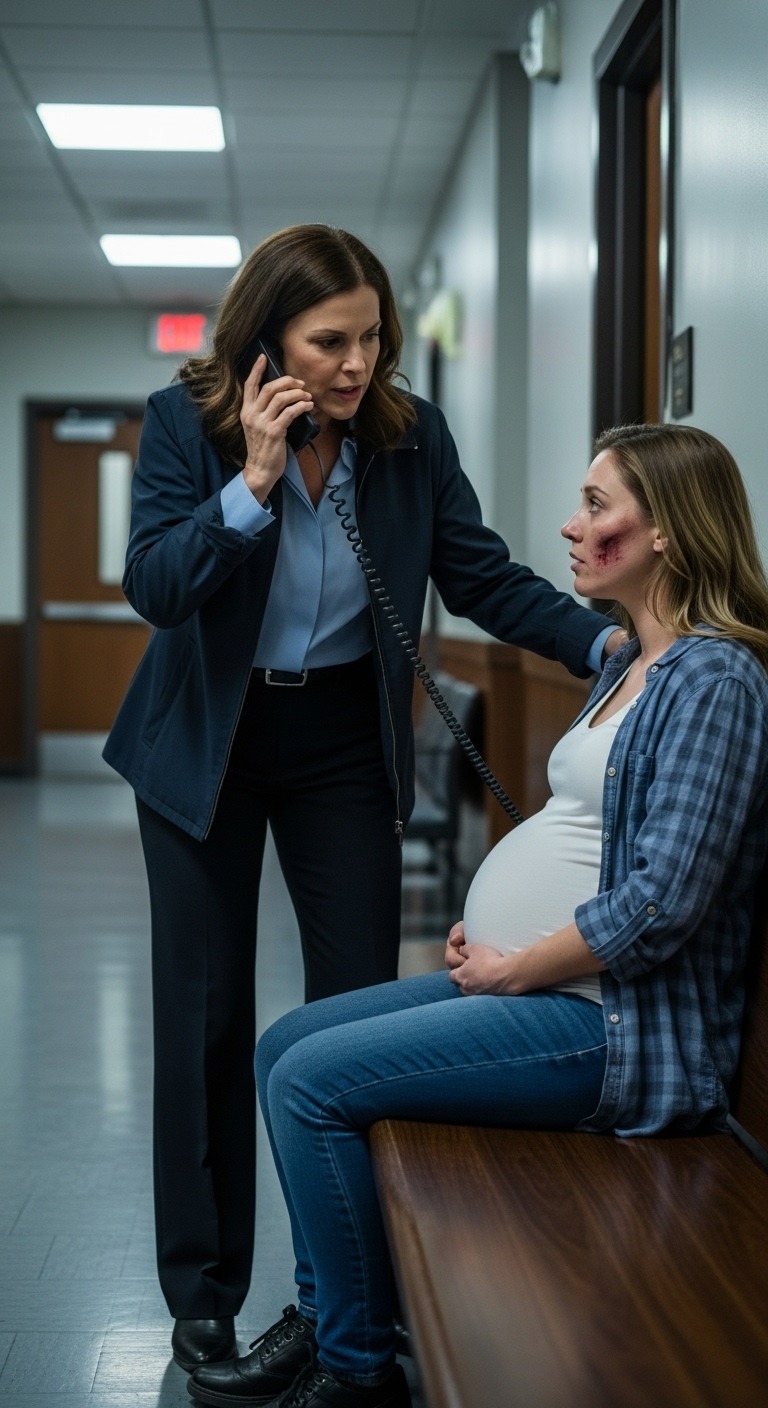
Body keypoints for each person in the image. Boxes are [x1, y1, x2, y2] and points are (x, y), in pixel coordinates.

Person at [102, 224, 620, 1368]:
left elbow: (478, 573)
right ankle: (202, 1289)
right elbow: (157, 585)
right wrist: (252, 484)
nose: (356, 364)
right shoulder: (186, 421)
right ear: (265, 342)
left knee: (355, 1019)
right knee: (205, 1016)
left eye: (373, 337)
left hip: (341, 737)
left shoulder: (407, 434)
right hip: (206, 738)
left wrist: (602, 645)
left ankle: (341, 1298)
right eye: (328, 342)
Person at [185, 422, 768, 1408]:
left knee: (313, 1085)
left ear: (668, 529)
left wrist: (518, 964)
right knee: (284, 1043)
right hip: (550, 986)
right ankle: (330, 1320)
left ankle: (355, 1365)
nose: (570, 525)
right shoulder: (629, 664)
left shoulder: (717, 681)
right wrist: (494, 934)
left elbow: (662, 901)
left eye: (596, 504)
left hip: (616, 1025)